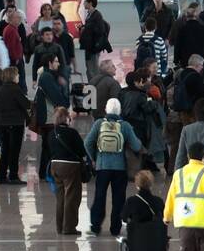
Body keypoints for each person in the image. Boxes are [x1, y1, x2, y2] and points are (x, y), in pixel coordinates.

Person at [85, 98, 143, 237]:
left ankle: (95, 227)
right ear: (120, 111)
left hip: (102, 166)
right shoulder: (125, 126)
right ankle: (115, 228)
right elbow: (136, 145)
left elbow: (87, 143)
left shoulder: (99, 123)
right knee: (118, 198)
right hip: (120, 168)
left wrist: (94, 158)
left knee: (99, 196)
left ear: (106, 110)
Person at [48, 106, 88, 235]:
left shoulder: (51, 133)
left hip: (55, 166)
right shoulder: (72, 133)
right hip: (70, 166)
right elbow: (82, 151)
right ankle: (69, 228)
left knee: (60, 198)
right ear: (66, 118)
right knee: (71, 197)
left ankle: (59, 227)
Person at [33, 54, 71, 182]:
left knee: (47, 145)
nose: (58, 64)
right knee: (49, 146)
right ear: (49, 63)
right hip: (49, 117)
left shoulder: (47, 76)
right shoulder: (47, 77)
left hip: (48, 116)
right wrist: (65, 103)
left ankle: (45, 172)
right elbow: (56, 96)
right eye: (56, 61)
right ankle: (47, 172)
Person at [0, 67, 31, 184]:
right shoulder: (15, 89)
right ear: (13, 76)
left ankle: (1, 175)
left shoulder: (0, 89)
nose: (19, 76)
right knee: (14, 151)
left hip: (2, 123)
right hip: (15, 123)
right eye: (17, 74)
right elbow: (26, 104)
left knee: (5, 150)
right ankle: (13, 175)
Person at [78, 0, 110, 81]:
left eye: (85, 2)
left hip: (93, 46)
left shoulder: (97, 15)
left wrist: (87, 28)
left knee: (93, 68)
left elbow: (100, 30)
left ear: (90, 3)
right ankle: (91, 85)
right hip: (88, 45)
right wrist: (84, 27)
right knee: (89, 67)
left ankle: (96, 86)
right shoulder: (89, 14)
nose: (84, 4)